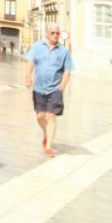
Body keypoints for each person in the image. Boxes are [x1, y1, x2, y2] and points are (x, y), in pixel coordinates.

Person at [25, 22, 75, 157]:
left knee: (51, 115)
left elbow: (68, 69)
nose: (55, 35)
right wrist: (28, 77)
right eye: (52, 33)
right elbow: (30, 62)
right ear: (47, 33)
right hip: (39, 88)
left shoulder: (63, 51)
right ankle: (46, 134)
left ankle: (48, 146)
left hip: (55, 89)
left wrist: (62, 86)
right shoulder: (37, 46)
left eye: (57, 33)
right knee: (40, 116)